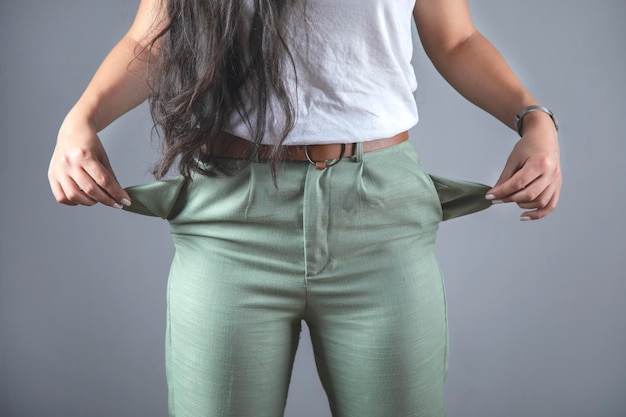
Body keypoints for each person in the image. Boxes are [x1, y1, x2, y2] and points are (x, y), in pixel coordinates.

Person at [48, 0, 562, 416]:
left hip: (380, 222)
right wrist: (80, 119)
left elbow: (456, 39)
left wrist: (534, 118)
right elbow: (152, 39)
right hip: (230, 223)